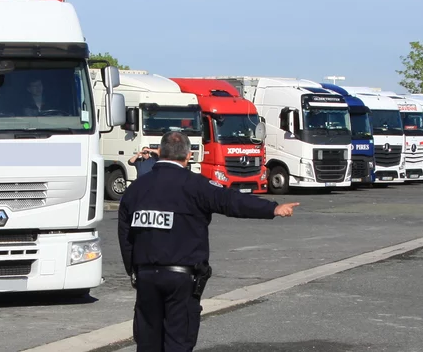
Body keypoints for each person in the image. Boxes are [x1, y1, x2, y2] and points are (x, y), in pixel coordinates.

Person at [118, 131, 299, 352]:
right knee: (178, 342)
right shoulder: (195, 185)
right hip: (181, 279)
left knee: (148, 344)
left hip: (146, 276)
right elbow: (231, 201)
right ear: (188, 156)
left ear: (160, 152)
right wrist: (272, 208)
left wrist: (133, 270)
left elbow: (125, 235)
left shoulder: (136, 189)